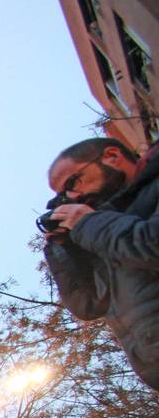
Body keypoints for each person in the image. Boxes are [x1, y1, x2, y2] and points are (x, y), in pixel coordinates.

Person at [41, 137, 159, 391]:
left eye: (73, 182)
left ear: (112, 157)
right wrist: (64, 248)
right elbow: (88, 304)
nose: (74, 196)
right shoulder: (108, 226)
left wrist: (86, 224)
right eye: (64, 195)